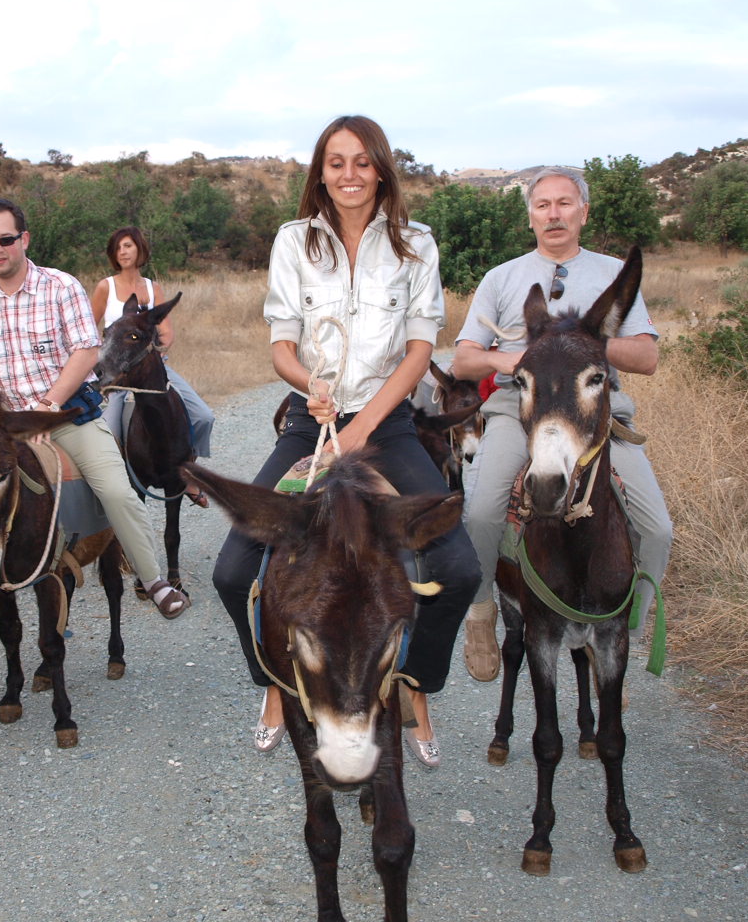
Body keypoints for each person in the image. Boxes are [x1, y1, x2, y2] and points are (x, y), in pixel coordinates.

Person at [211, 116, 482, 766]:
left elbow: (419, 352)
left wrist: (361, 427)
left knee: (457, 567)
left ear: (382, 168)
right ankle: (276, 684)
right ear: (320, 172)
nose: (350, 174)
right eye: (337, 162)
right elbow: (280, 345)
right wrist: (311, 384)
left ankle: (415, 685)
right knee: (231, 570)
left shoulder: (415, 243)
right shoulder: (294, 241)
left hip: (386, 424)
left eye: (362, 162)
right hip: (314, 418)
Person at [453, 167, 672, 682]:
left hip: (597, 418)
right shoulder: (501, 278)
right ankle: (481, 613)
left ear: (583, 212)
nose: (553, 214)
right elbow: (464, 360)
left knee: (656, 529)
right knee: (482, 511)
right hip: (518, 411)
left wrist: (576, 350)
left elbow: (646, 356)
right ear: (530, 215)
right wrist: (521, 361)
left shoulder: (613, 274)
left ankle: (622, 628)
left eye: (564, 203)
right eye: (542, 204)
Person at [0, 199, 191, 619]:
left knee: (116, 491)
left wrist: (49, 402)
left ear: (24, 239)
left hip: (69, 412)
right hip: (9, 424)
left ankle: (153, 579)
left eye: (6, 239)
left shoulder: (61, 286)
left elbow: (87, 350)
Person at [90, 226, 215, 505]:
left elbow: (167, 333)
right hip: (117, 375)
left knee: (204, 416)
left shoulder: (152, 288)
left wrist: (153, 342)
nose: (123, 252)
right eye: (118, 247)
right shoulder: (105, 287)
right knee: (109, 432)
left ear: (140, 250)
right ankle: (115, 490)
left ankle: (188, 474)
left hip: (149, 370)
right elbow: (86, 330)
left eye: (128, 246)